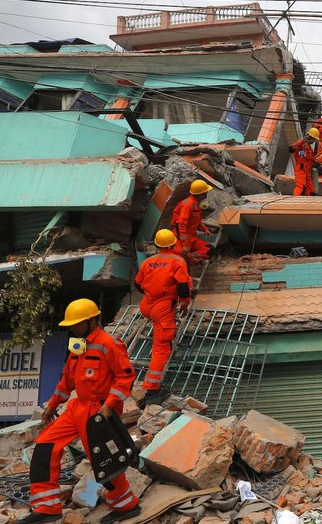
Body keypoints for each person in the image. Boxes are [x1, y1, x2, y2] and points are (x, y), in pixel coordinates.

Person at [20, 299, 139, 524]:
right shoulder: (78, 345)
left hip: (98, 410)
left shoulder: (109, 343)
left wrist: (108, 406)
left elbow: (126, 376)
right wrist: (52, 405)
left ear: (92, 320)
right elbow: (67, 380)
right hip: (77, 407)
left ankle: (126, 505)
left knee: (103, 459)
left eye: (77, 324)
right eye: (71, 325)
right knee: (45, 446)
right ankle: (47, 508)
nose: (73, 328)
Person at [134, 229, 192, 407]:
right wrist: (184, 304)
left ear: (157, 245)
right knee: (161, 350)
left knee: (159, 344)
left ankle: (150, 387)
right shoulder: (177, 261)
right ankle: (152, 390)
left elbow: (137, 284)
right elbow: (183, 287)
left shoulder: (147, 262)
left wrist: (152, 294)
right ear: (174, 244)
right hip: (163, 308)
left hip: (147, 305)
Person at [171, 179, 212, 265]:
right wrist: (185, 245)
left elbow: (197, 220)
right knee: (181, 256)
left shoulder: (196, 204)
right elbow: (180, 225)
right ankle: (185, 260)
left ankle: (188, 258)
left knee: (208, 250)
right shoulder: (187, 205)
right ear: (202, 194)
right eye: (206, 192)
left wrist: (205, 229)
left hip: (192, 237)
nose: (207, 194)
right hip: (180, 239)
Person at [289, 127, 320, 196]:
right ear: (311, 137)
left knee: (311, 191)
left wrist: (316, 162)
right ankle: (294, 202)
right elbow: (291, 148)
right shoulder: (301, 144)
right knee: (301, 187)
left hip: (307, 171)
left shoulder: (309, 149)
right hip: (301, 169)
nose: (314, 141)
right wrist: (303, 141)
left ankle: (307, 205)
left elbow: (311, 160)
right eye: (314, 139)